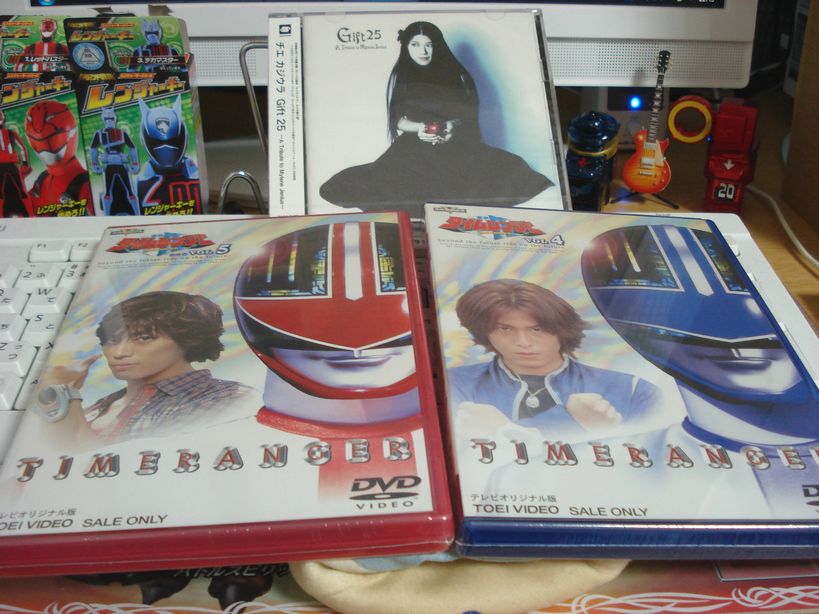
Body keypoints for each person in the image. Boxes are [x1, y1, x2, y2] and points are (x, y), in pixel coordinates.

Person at [319, 21, 552, 218]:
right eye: (415, 44)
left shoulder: (458, 75)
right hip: (415, 144)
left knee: (494, 178)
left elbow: (467, 114)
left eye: (429, 44)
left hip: (456, 142)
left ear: (437, 45)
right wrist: (419, 128)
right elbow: (398, 119)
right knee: (387, 184)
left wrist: (451, 127)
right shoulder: (402, 76)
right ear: (406, 47)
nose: (423, 51)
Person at [448, 278, 660, 439]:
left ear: (562, 330)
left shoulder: (633, 390)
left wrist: (612, 431)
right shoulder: (453, 383)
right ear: (485, 332)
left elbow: (655, 460)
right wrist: (574, 422)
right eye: (505, 329)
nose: (523, 342)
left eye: (537, 329)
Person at [34, 291, 255, 443]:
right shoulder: (101, 405)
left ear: (188, 339)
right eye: (112, 340)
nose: (119, 352)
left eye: (144, 338)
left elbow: (92, 462)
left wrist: (65, 395)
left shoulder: (225, 397)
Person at [24, 99, 93, 217]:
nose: (43, 147)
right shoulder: (42, 180)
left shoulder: (84, 186)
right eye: (36, 140)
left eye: (51, 139)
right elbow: (25, 210)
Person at [89, 106, 140, 215]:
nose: (109, 121)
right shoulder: (100, 133)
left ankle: (136, 214)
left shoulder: (122, 132)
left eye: (111, 119)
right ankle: (108, 215)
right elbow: (93, 148)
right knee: (108, 193)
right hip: (109, 165)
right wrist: (94, 163)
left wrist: (135, 163)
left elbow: (132, 147)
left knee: (130, 192)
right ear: (103, 120)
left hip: (121, 164)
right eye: (107, 119)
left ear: (114, 119)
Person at [0, 110, 33, 217]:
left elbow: (22, 148)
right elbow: (22, 148)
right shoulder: (11, 133)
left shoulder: (11, 133)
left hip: (11, 165)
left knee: (21, 191)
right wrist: (25, 164)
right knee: (20, 191)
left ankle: (30, 216)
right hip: (9, 165)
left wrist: (25, 164)